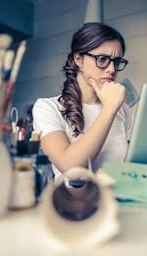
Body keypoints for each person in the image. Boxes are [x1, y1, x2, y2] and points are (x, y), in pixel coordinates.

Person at [32, 22, 133, 180]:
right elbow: (70, 167)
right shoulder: (47, 107)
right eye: (102, 59)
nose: (112, 69)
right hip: (72, 202)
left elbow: (129, 167)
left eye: (117, 61)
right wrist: (109, 108)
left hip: (117, 201)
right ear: (78, 59)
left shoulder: (123, 110)